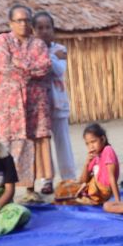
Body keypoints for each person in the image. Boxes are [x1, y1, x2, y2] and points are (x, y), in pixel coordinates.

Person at [0, 5, 53, 200]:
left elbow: (44, 67)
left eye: (27, 20)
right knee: (4, 144)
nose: (24, 24)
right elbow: (3, 65)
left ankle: (29, 188)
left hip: (34, 104)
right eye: (19, 20)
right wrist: (29, 69)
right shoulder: (2, 40)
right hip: (8, 105)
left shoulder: (38, 44)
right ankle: (3, 191)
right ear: (11, 23)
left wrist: (18, 65)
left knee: (31, 144)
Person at [34, 11, 76, 182]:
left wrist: (46, 58)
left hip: (58, 103)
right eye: (40, 28)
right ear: (34, 30)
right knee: (44, 143)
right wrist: (51, 58)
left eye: (47, 27)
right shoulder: (34, 51)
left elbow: (58, 70)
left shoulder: (61, 49)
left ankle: (68, 178)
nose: (44, 31)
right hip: (38, 105)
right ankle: (47, 180)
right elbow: (37, 71)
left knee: (63, 142)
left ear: (53, 29)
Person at [54, 124, 118, 206]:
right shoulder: (95, 156)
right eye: (87, 144)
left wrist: (117, 200)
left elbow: (111, 177)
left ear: (102, 139)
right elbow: (83, 180)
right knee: (61, 187)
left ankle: (82, 196)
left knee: (65, 193)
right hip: (92, 188)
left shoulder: (107, 151)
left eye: (93, 142)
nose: (91, 146)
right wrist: (87, 163)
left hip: (101, 191)